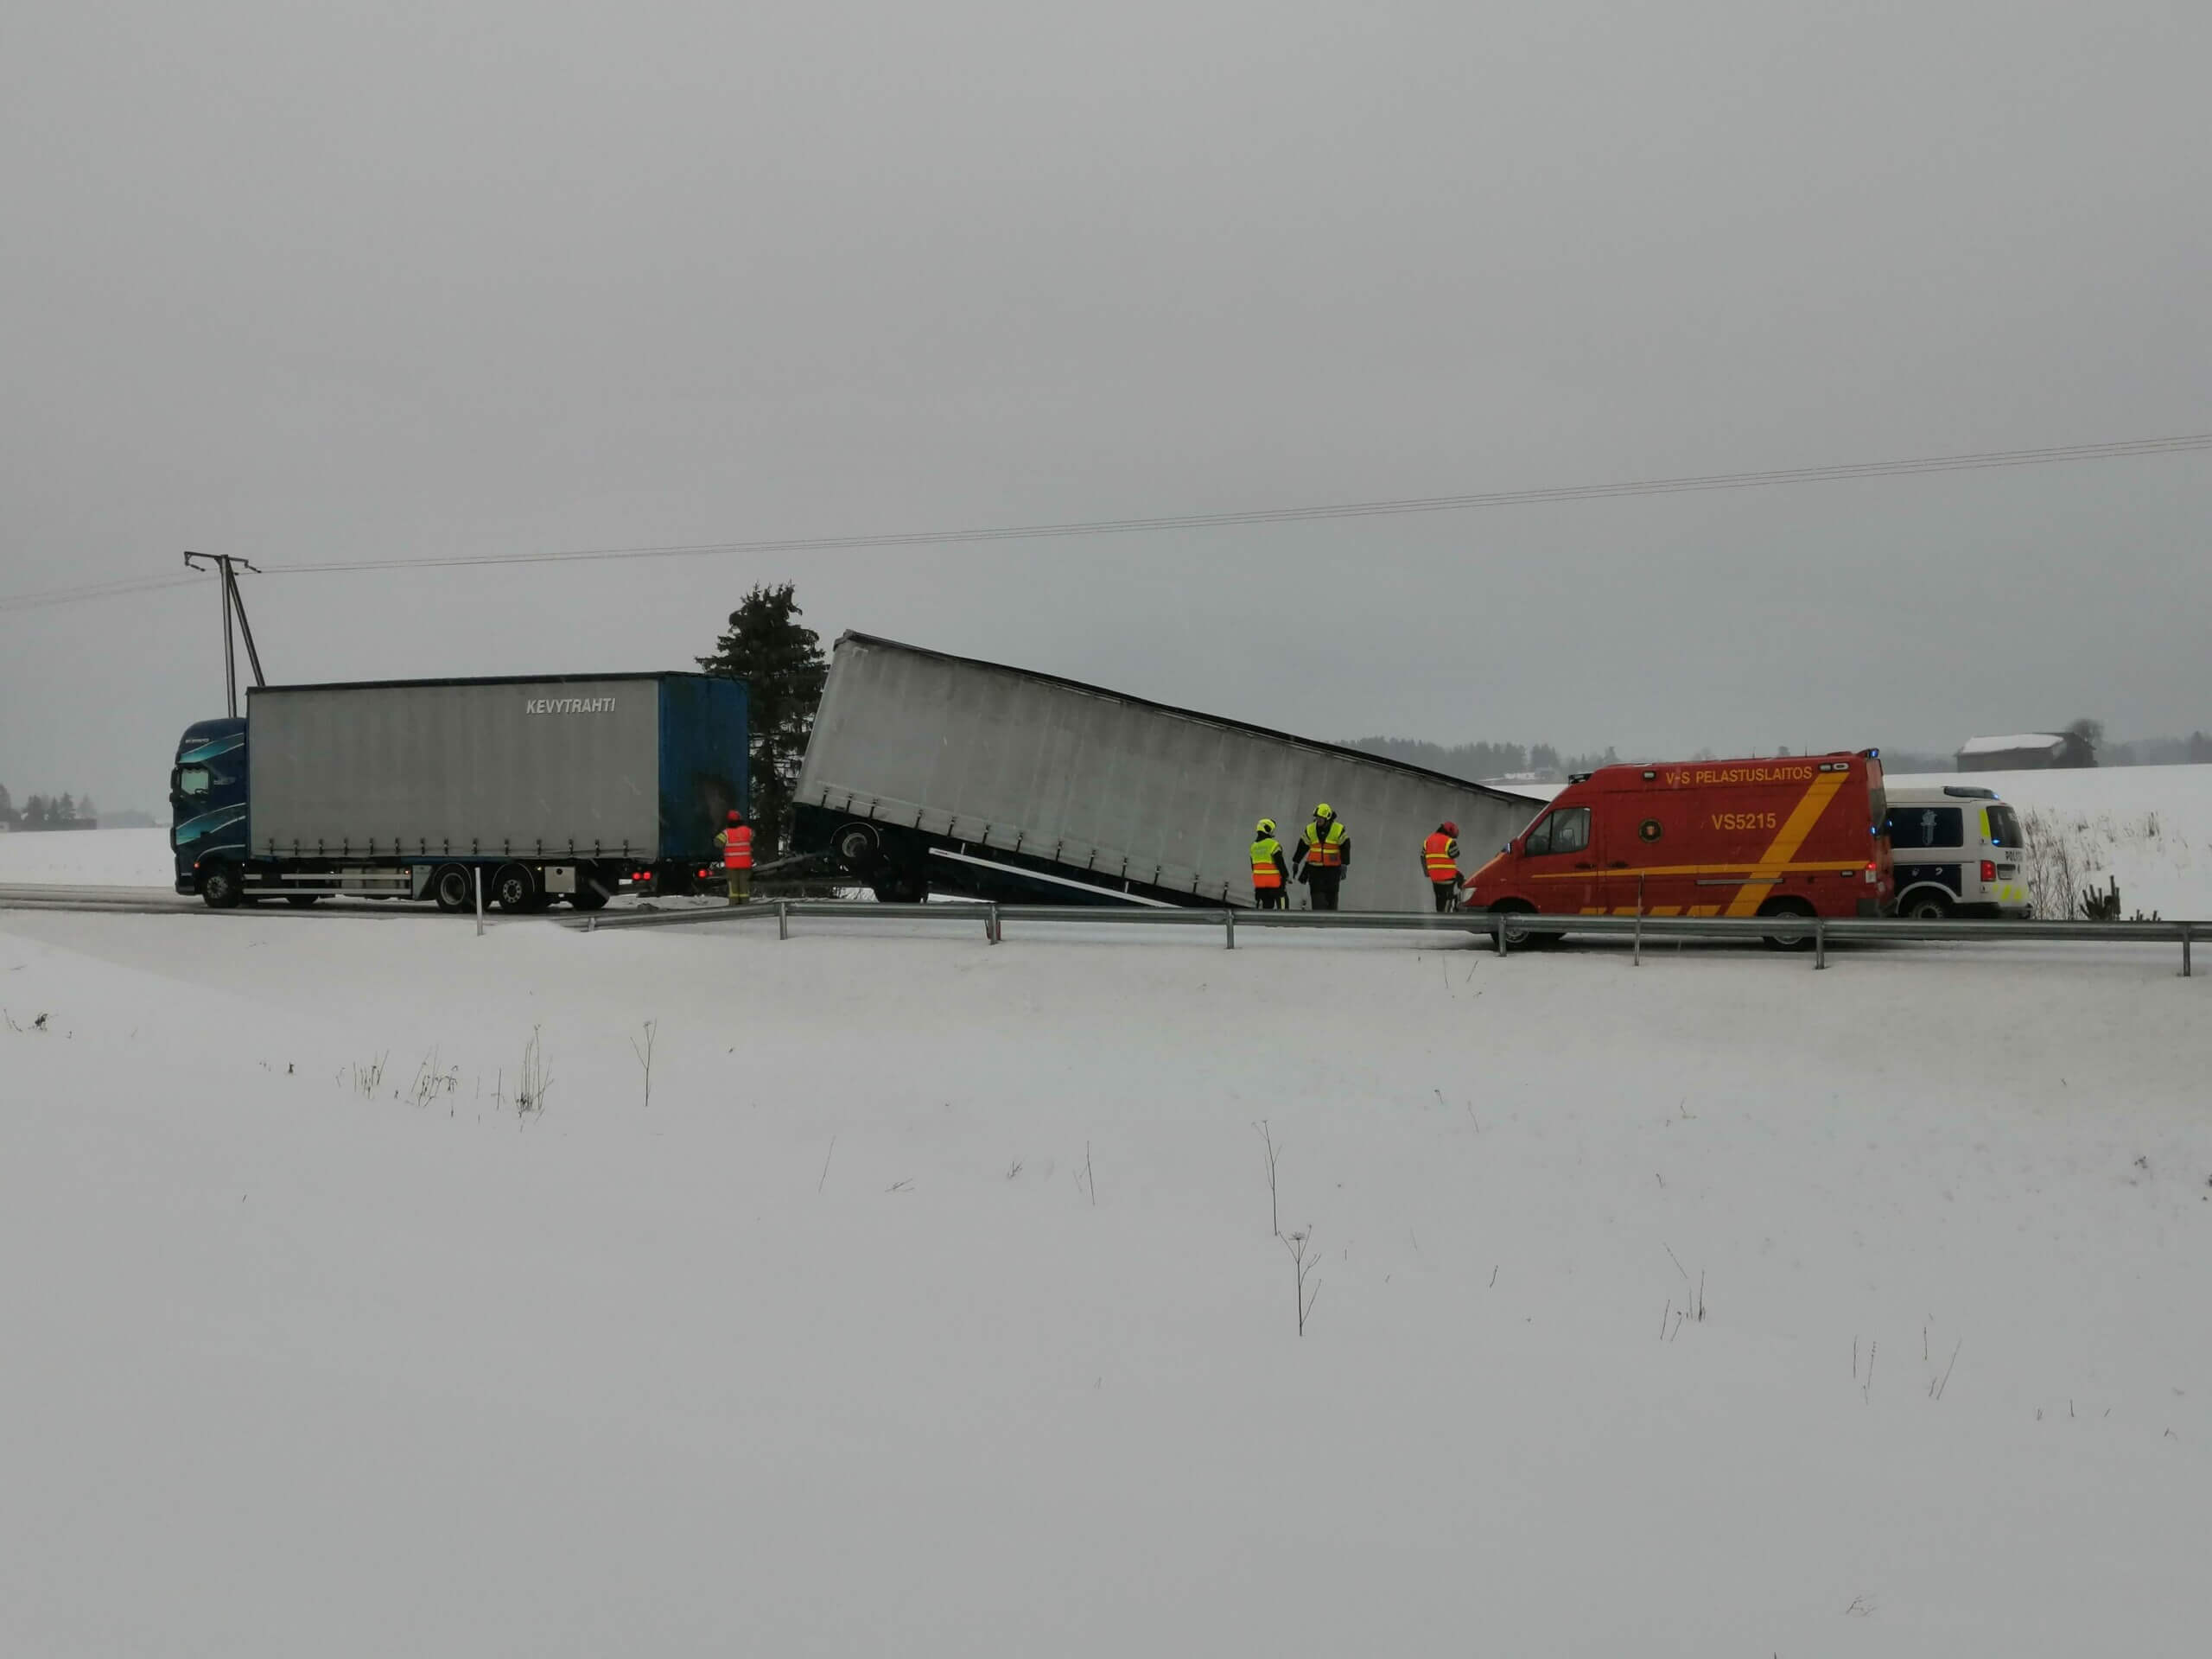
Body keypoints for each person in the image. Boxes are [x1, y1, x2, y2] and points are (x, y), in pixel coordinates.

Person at [1293, 803, 1350, 910]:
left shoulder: (1338, 829)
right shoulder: (1310, 829)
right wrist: (1296, 861)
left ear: (1327, 818)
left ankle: (1331, 923)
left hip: (1332, 870)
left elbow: (1345, 846)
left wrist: (1345, 864)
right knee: (1317, 898)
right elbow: (1302, 846)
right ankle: (1319, 922)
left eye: (1321, 818)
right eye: (1317, 817)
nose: (1318, 820)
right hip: (1315, 870)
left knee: (1331, 899)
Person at [1249, 817, 1290, 909]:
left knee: (1267, 908)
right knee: (1283, 906)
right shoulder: (1273, 845)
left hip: (1261, 885)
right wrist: (1286, 876)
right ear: (1267, 829)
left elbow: (1253, 867)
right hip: (1275, 883)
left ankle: (1268, 923)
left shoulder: (1253, 847)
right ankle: (1283, 921)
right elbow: (1280, 863)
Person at [715, 808, 753, 905]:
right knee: (744, 885)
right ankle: (745, 903)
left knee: (733, 886)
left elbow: (717, 843)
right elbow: (753, 837)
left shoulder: (726, 833)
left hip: (732, 865)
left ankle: (734, 904)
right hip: (745, 864)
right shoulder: (747, 831)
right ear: (740, 820)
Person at [1422, 821, 1462, 912]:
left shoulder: (1428, 840)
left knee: (1440, 898)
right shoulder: (1449, 841)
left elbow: (1422, 856)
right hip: (1448, 877)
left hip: (1435, 878)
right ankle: (1456, 902)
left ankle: (1440, 913)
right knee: (1462, 882)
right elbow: (1456, 854)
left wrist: (1426, 872)